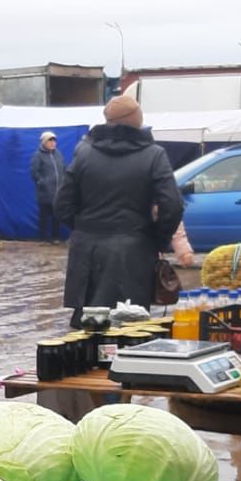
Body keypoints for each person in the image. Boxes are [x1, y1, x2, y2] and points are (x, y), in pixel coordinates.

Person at [55, 92, 182, 322]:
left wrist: (83, 229)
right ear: (138, 121)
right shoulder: (154, 156)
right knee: (128, 331)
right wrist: (156, 238)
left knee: (86, 330)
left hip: (87, 256)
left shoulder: (83, 153)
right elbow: (172, 206)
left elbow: (62, 204)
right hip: (133, 253)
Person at [30, 130, 66, 242]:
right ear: (44, 142)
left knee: (57, 216)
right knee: (44, 216)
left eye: (54, 141)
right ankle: (43, 238)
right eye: (50, 141)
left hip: (58, 191)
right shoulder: (38, 155)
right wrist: (42, 182)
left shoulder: (58, 154)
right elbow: (34, 172)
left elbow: (63, 168)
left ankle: (56, 237)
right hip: (45, 193)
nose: (52, 143)